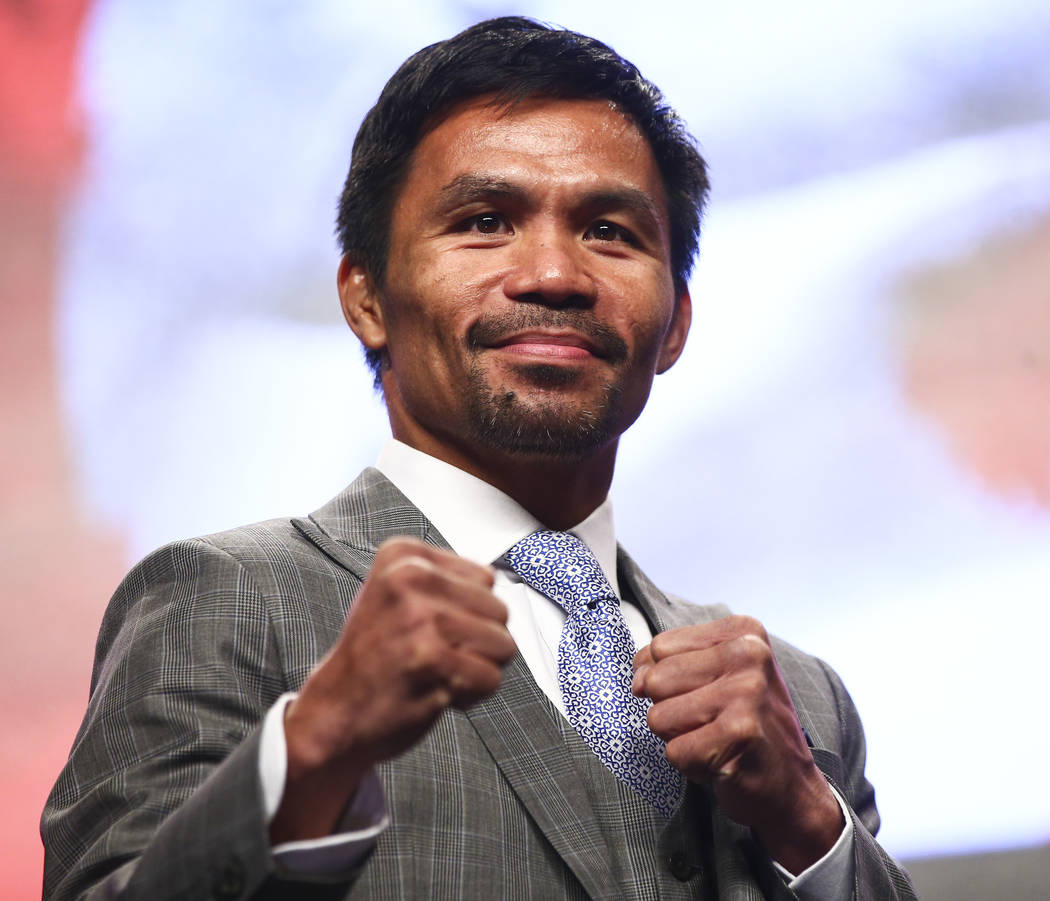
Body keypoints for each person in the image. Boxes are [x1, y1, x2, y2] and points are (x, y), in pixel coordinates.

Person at [42, 17, 916, 900]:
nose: (554, 274)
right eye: (486, 221)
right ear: (367, 298)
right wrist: (313, 749)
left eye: (611, 231)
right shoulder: (226, 601)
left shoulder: (797, 697)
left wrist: (807, 817)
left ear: (676, 323)